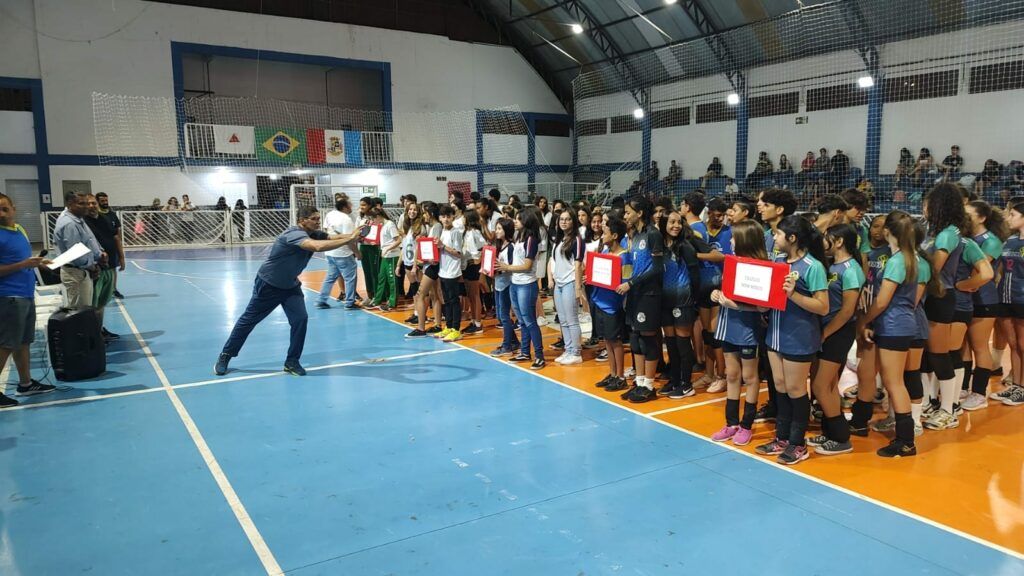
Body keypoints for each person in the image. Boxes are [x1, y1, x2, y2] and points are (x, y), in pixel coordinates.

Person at [215, 206, 361, 376]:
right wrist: (350, 238)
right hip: (269, 284)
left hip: (290, 285)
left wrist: (356, 233)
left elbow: (335, 237)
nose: (318, 221)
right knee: (249, 320)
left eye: (318, 218)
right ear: (302, 220)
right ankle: (226, 354)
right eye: (314, 219)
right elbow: (317, 247)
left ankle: (292, 361)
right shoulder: (293, 234)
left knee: (300, 320)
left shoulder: (314, 233)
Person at [860, 211, 928, 457]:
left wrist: (865, 320)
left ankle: (905, 441)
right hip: (903, 323)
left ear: (888, 231)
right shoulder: (912, 258)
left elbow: (882, 301)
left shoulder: (898, 261)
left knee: (894, 382)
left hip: (893, 325)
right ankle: (905, 437)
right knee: (896, 381)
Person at [805, 224, 865, 456]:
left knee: (821, 385)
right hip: (826, 331)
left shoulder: (851, 270)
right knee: (826, 385)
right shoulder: (833, 266)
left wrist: (826, 333)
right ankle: (830, 431)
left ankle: (841, 438)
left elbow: (848, 311)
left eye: (826, 238)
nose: (823, 242)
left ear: (838, 241)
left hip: (838, 333)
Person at [709, 220, 770, 444]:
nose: (730, 241)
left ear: (745, 240)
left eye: (734, 238)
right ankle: (731, 423)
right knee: (731, 375)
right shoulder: (731, 264)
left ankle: (746, 425)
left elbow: (765, 306)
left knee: (749, 377)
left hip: (748, 330)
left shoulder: (762, 267)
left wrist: (738, 306)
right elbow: (727, 292)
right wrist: (716, 295)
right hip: (728, 327)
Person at [0, 193, 57, 406]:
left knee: (23, 342)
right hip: (8, 297)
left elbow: (24, 259)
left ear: (13, 208)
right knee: (5, 344)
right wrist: (23, 265)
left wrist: (41, 263)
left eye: (5, 209)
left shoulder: (20, 230)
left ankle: (25, 384)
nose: (2, 214)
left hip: (26, 294)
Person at [961, 200, 1007, 410]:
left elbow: (979, 273)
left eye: (969, 215)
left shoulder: (991, 241)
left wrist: (960, 284)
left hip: (984, 300)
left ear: (982, 218)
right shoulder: (968, 239)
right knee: (963, 346)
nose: (965, 218)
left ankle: (979, 392)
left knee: (979, 346)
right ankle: (962, 387)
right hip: (967, 299)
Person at [620, 197, 665, 403]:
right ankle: (639, 382)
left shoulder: (653, 234)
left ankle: (649, 385)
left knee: (648, 338)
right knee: (635, 338)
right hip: (635, 292)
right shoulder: (636, 236)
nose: (625, 215)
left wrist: (632, 282)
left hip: (649, 294)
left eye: (628, 212)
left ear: (639, 213)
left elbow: (656, 268)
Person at [657, 210, 704, 399]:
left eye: (679, 222)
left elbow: (695, 275)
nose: (676, 226)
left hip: (683, 301)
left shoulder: (685, 246)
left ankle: (686, 384)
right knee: (671, 344)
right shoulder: (660, 245)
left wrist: (694, 300)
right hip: (665, 301)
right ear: (664, 225)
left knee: (683, 343)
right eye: (672, 222)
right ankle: (675, 379)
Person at [499, 209, 546, 370]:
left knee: (530, 320)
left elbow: (527, 265)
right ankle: (525, 352)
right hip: (515, 282)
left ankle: (539, 355)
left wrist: (507, 267)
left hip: (527, 284)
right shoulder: (519, 237)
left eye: (519, 219)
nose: (515, 221)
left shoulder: (531, 239)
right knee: (522, 320)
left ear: (526, 220)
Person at [593, 215, 631, 391]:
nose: (602, 235)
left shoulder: (625, 257)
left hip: (613, 305)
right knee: (607, 341)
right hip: (600, 301)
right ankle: (613, 373)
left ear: (615, 235)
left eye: (605, 232)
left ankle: (621, 376)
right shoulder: (606, 253)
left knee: (615, 341)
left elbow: (627, 280)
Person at [53, 190, 106, 311]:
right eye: (81, 204)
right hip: (76, 272)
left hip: (82, 270)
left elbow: (90, 239)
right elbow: (76, 253)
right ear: (70, 204)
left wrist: (100, 253)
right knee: (79, 312)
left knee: (85, 309)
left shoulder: (78, 219)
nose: (87, 207)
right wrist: (92, 267)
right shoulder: (69, 224)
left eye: (87, 203)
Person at [995, 201, 1024, 406]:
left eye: (1013, 214)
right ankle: (1016, 385)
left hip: (1022, 298)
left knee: (1023, 344)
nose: (1009, 217)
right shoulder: (1010, 241)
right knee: (1013, 344)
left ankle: (1022, 388)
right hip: (1005, 297)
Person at [549, 208, 586, 365]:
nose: (564, 221)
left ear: (573, 222)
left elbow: (578, 265)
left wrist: (578, 287)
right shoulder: (559, 240)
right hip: (559, 284)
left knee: (572, 319)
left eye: (567, 219)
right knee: (563, 320)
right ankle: (568, 348)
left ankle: (576, 352)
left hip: (570, 283)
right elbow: (554, 262)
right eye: (561, 219)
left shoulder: (577, 240)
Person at [83, 194, 120, 341]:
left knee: (102, 303)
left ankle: (99, 330)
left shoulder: (103, 219)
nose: (92, 206)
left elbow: (114, 237)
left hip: (109, 266)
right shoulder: (84, 223)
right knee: (93, 303)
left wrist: (120, 257)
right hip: (96, 269)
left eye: (93, 203)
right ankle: (93, 334)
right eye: (89, 203)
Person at [317, 198, 359, 310]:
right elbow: (349, 239)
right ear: (345, 207)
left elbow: (325, 229)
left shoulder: (330, 214)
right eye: (350, 204)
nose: (352, 206)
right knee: (350, 278)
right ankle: (350, 302)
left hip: (330, 251)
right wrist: (357, 253)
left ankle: (321, 300)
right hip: (343, 253)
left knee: (330, 277)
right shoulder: (346, 220)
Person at [489, 218, 520, 357]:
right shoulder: (499, 246)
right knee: (501, 316)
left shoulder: (511, 247)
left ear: (507, 230)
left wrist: (499, 268)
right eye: (496, 228)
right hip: (498, 283)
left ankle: (507, 345)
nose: (497, 231)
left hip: (507, 284)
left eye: (500, 228)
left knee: (505, 316)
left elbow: (510, 267)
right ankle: (513, 341)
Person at [434, 204, 465, 342]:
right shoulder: (443, 231)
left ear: (453, 216)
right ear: (440, 218)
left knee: (454, 301)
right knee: (446, 301)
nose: (446, 219)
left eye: (448, 216)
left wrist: (443, 246)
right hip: (443, 270)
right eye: (443, 216)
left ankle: (456, 329)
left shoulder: (456, 232)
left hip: (452, 271)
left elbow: (458, 253)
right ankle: (448, 326)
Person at [95, 192, 126, 299]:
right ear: (97, 201)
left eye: (106, 200)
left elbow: (117, 232)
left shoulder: (112, 215)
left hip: (112, 248)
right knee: (99, 270)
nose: (105, 202)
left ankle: (113, 289)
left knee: (113, 269)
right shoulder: (95, 216)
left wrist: (121, 253)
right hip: (99, 249)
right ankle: (99, 290)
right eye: (102, 201)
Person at [370, 207, 401, 312]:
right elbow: (387, 240)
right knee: (381, 278)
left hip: (392, 256)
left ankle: (392, 302)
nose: (373, 221)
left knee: (392, 280)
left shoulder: (390, 225)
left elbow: (398, 240)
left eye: (373, 219)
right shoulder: (382, 225)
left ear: (378, 216)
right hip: (385, 255)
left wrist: (387, 248)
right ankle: (377, 300)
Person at [461, 210, 486, 334]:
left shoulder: (475, 232)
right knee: (470, 295)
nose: (462, 219)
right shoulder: (466, 232)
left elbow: (484, 247)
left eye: (464, 217)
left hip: (473, 265)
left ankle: (478, 323)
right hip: (467, 265)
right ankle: (473, 320)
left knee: (475, 295)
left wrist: (478, 261)